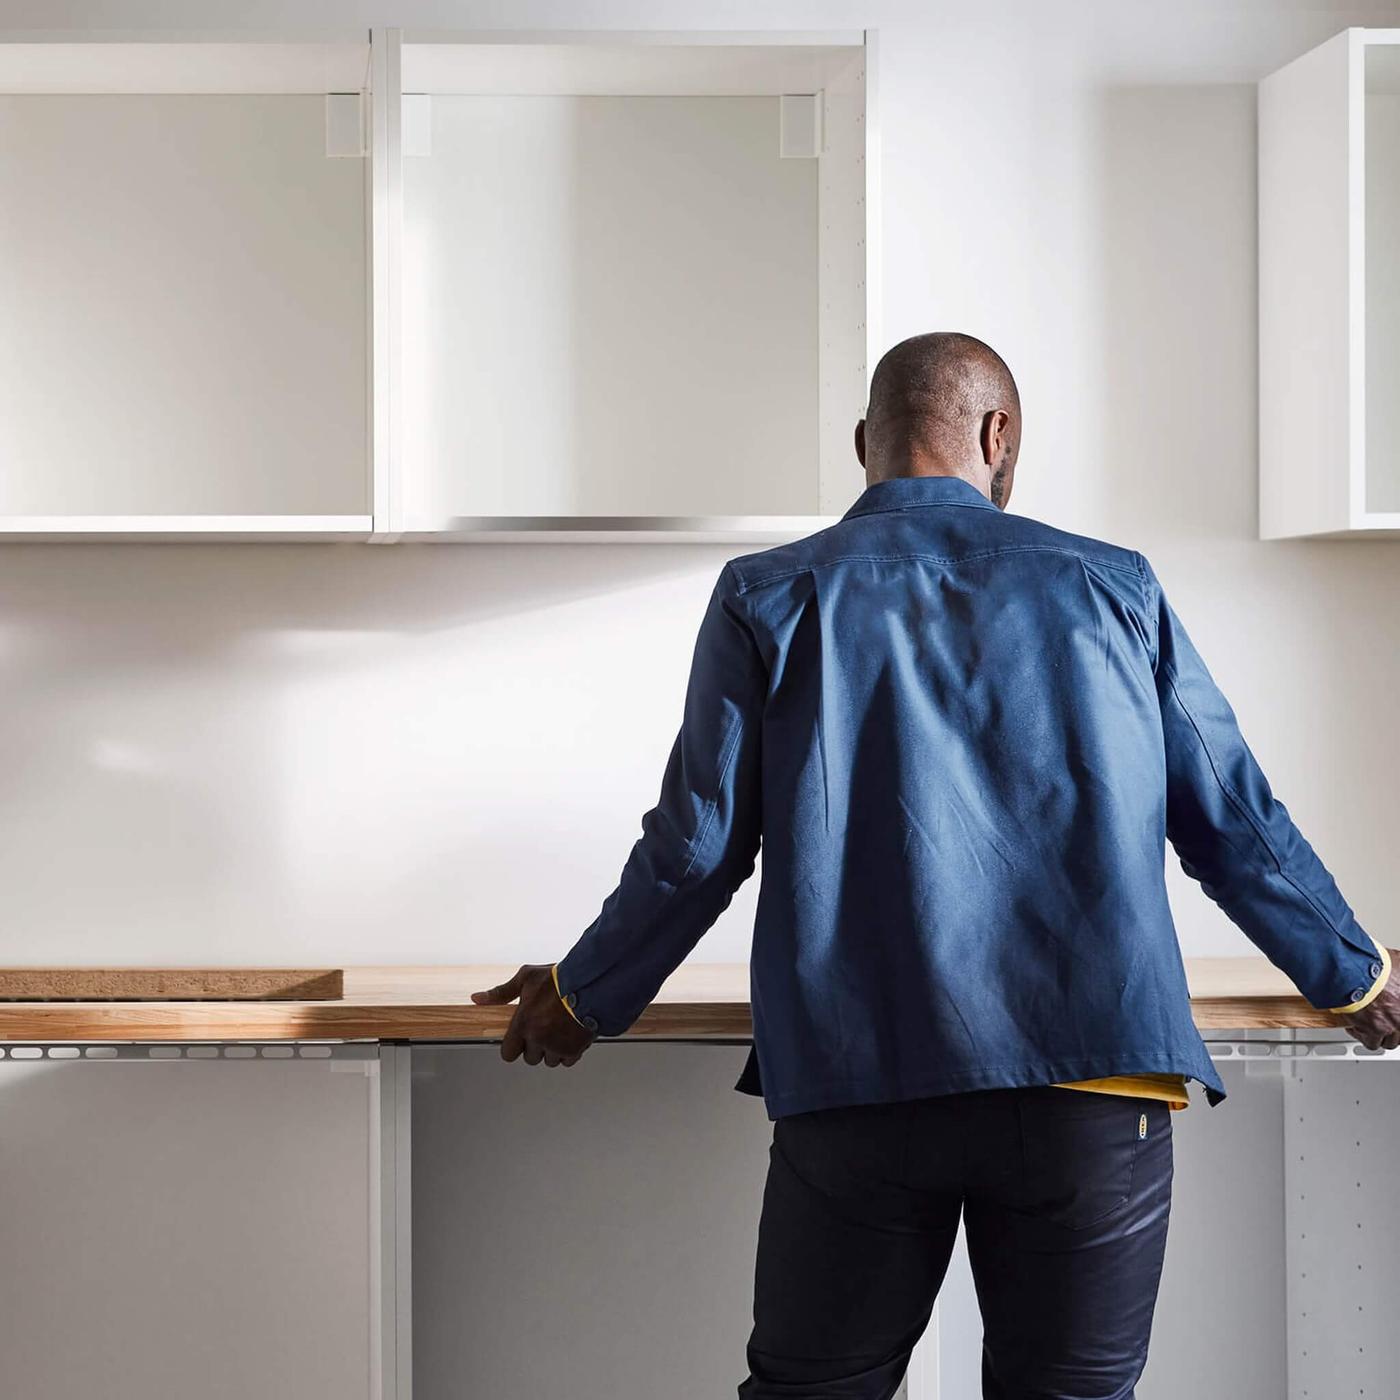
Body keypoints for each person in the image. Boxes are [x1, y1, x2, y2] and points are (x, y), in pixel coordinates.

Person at [473, 332, 1399, 1399]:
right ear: (997, 436)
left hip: (861, 1083)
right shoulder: (1115, 588)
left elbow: (696, 847)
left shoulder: (765, 596)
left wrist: (581, 997)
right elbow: (1229, 818)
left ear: (863, 443)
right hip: (1088, 1080)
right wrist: (1353, 973)